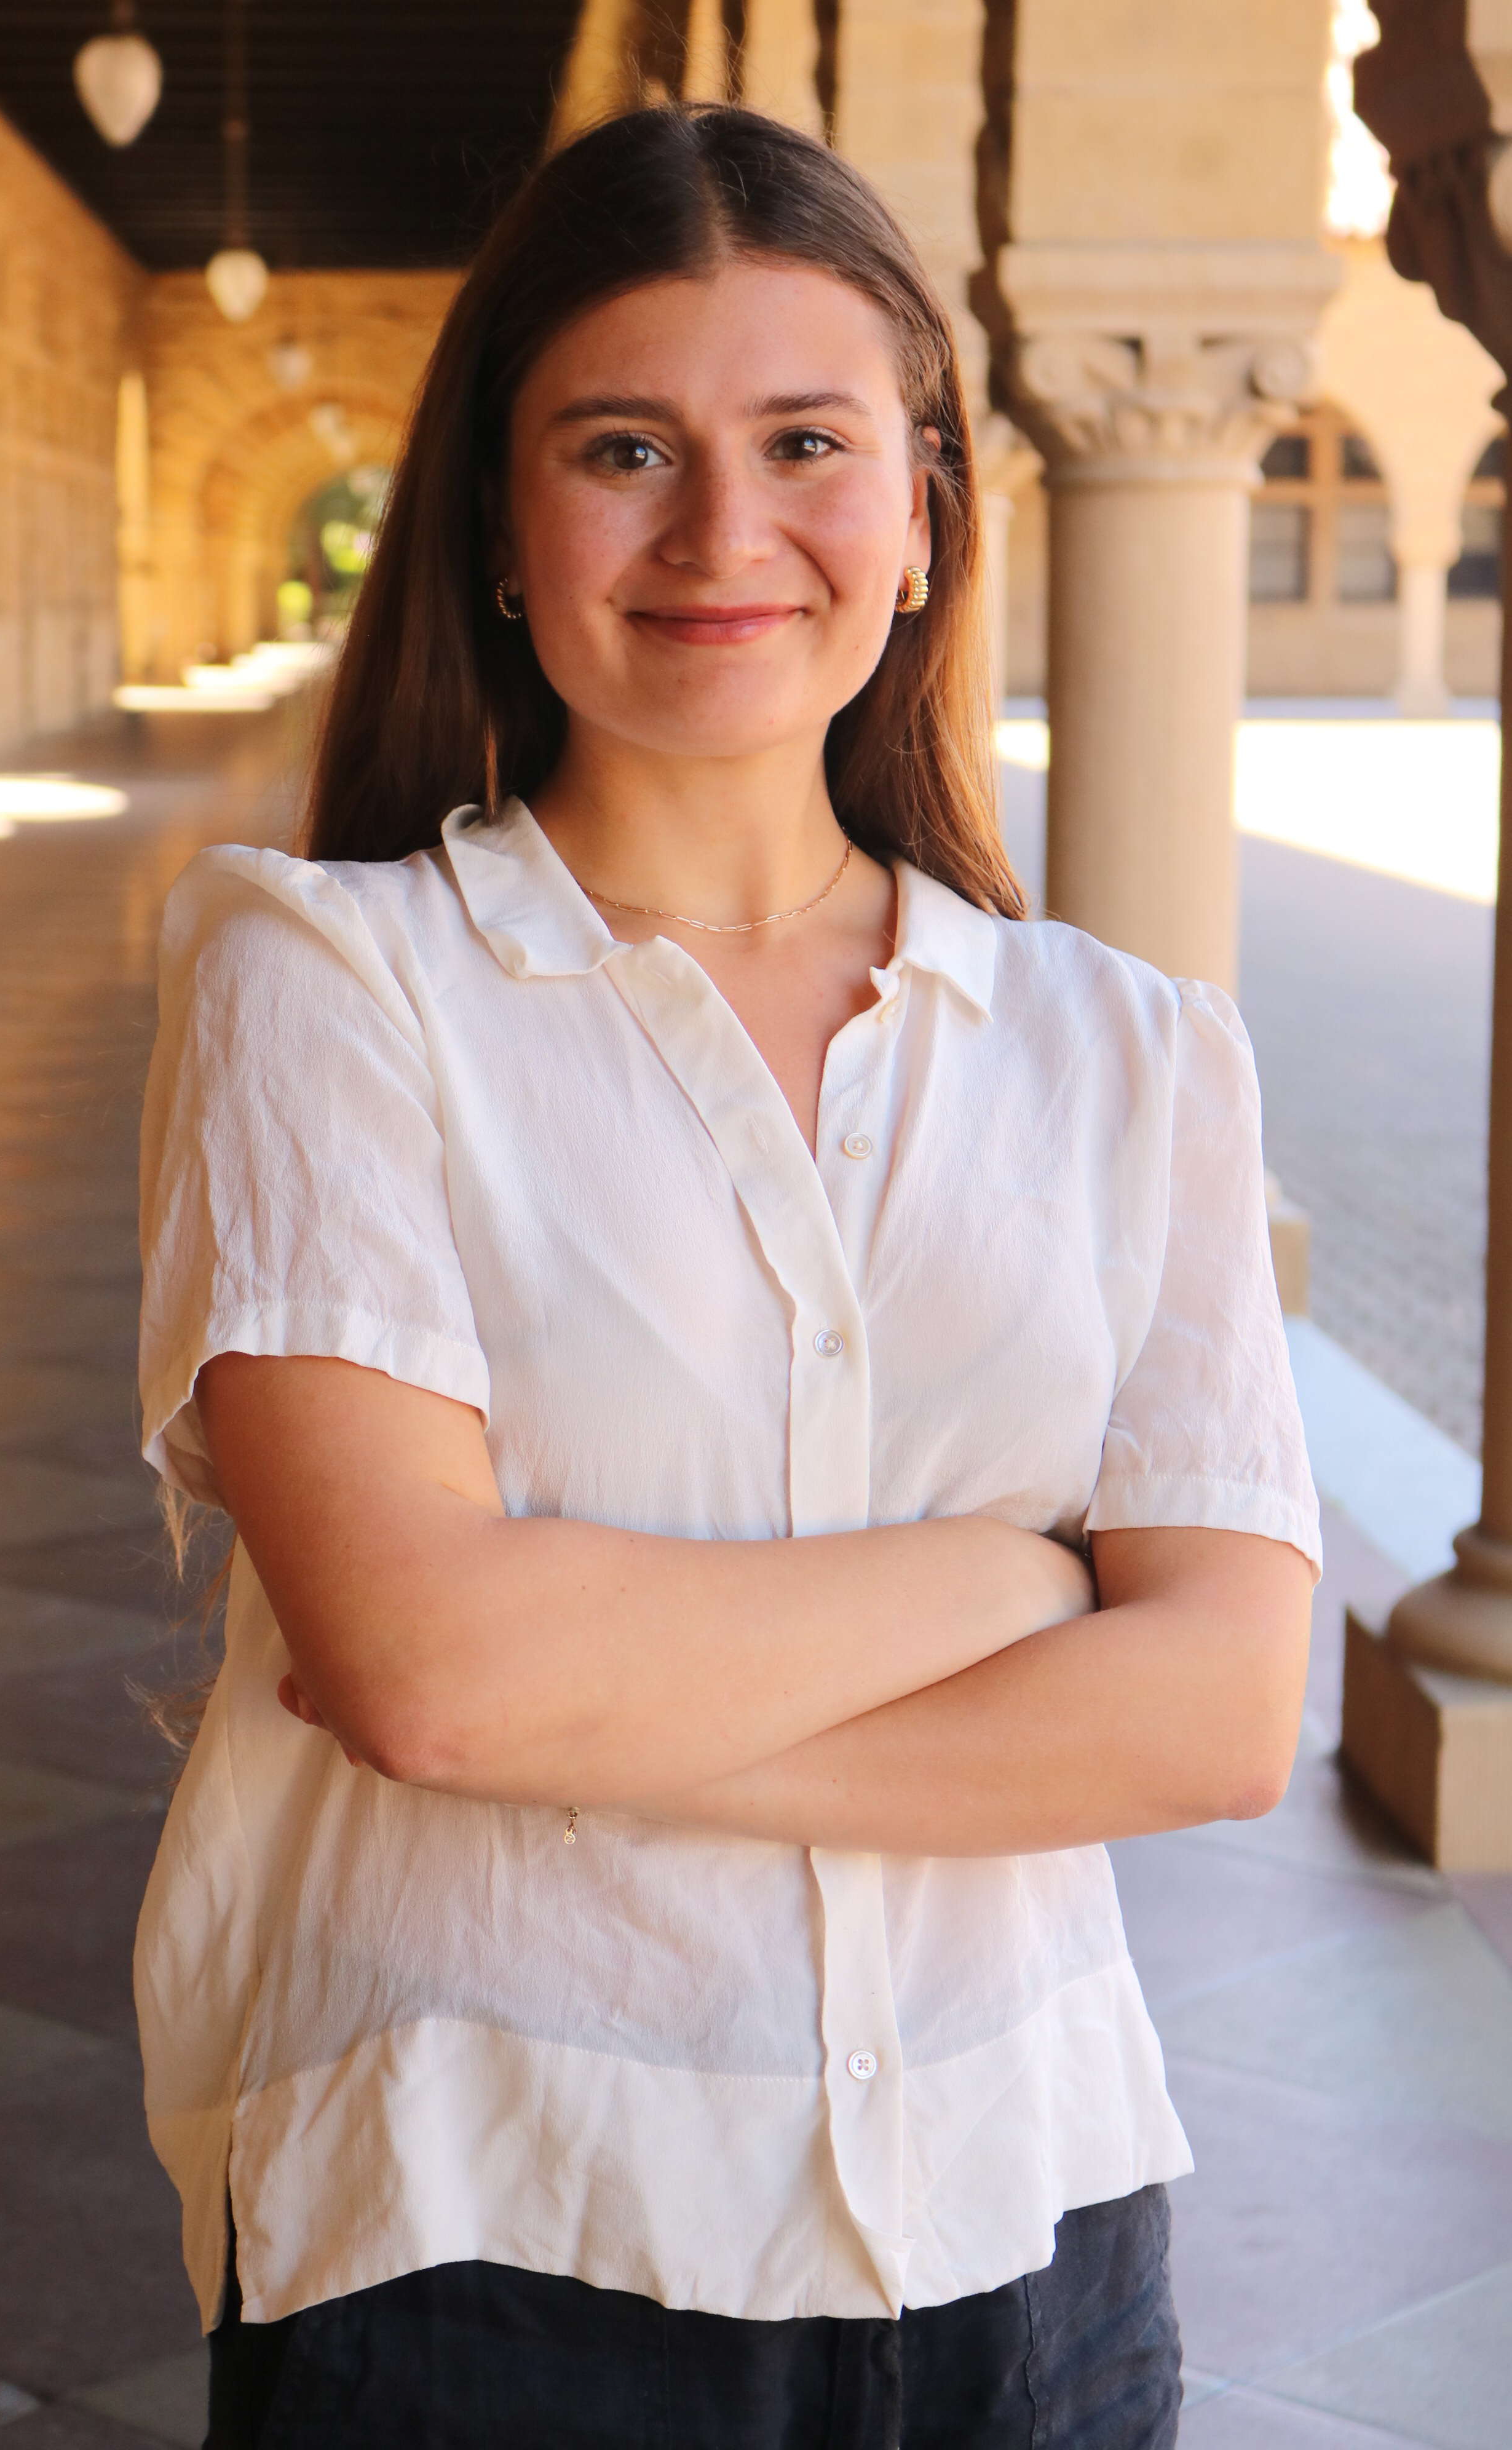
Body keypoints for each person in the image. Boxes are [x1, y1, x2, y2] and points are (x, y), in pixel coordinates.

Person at [136, 105, 1319, 2450]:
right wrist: (1017, 1573)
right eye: (622, 449)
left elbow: (1212, 1714)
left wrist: (611, 1709)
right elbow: (439, 1676)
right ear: (494, 515)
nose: (722, 533)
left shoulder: (1130, 1047)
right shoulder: (332, 981)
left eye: (806, 441)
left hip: (1037, 2244)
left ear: (924, 510)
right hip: (498, 2240)